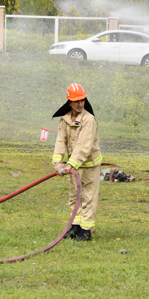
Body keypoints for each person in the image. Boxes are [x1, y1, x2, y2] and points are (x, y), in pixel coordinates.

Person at [52, 83, 103, 241]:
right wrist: (57, 163)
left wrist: (70, 165)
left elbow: (83, 146)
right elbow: (60, 141)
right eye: (76, 101)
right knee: (74, 196)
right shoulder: (65, 120)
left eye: (82, 100)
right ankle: (75, 226)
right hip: (73, 166)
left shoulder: (89, 120)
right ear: (69, 102)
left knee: (88, 196)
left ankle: (86, 230)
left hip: (89, 165)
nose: (80, 104)